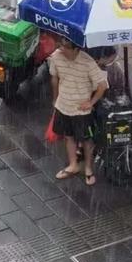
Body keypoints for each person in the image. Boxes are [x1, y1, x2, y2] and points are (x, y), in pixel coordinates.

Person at [49, 39, 108, 186]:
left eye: (66, 46)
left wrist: (91, 102)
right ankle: (73, 165)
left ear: (76, 48)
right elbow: (54, 78)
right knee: (68, 137)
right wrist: (56, 99)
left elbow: (102, 85)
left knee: (86, 140)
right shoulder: (56, 57)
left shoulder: (87, 62)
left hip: (82, 111)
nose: (61, 48)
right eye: (60, 45)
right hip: (63, 106)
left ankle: (88, 169)